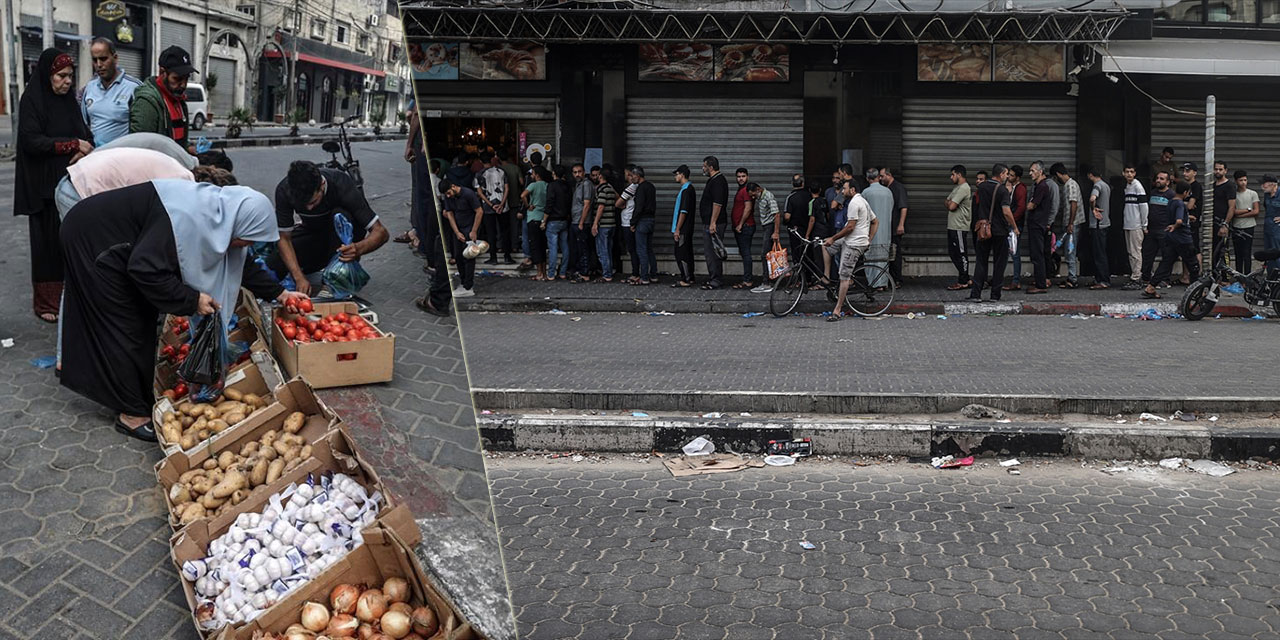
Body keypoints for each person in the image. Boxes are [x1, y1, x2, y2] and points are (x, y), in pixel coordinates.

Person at [60, 180, 306, 441]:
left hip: (122, 242)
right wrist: (191, 299)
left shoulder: (218, 216)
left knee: (141, 322)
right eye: (246, 239)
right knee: (125, 325)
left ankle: (129, 395)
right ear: (239, 224)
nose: (245, 245)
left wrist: (280, 294)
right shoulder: (188, 218)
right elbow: (144, 268)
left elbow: (242, 265)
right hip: (94, 238)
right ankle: (131, 415)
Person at [15, 48, 94, 323]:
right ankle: (47, 302)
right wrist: (72, 145)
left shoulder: (69, 102)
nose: (67, 81)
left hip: (70, 184)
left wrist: (82, 149)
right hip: (43, 187)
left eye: (70, 76)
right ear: (48, 75)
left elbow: (86, 136)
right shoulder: (32, 100)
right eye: (61, 76)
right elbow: (31, 141)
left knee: (69, 241)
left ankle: (72, 298)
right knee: (46, 245)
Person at [268, 161, 390, 294]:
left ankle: (333, 283)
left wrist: (358, 248)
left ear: (322, 184)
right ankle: (315, 269)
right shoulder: (284, 190)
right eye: (303, 204)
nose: (309, 208)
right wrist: (298, 277)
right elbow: (284, 239)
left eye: (313, 202)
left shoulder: (341, 183)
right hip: (314, 234)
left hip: (343, 242)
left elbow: (381, 233)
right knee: (274, 263)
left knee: (339, 215)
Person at [823, 180, 878, 322]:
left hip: (854, 244)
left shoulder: (854, 203)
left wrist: (833, 238)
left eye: (845, 188)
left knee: (844, 277)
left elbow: (850, 227)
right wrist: (869, 239)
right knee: (825, 245)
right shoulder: (863, 201)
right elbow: (875, 221)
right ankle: (826, 276)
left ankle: (837, 310)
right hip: (851, 240)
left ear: (852, 190)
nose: (842, 191)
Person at [130, 45, 197, 154]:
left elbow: (176, 138)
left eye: (186, 79)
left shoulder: (178, 100)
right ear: (162, 72)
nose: (183, 85)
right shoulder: (147, 102)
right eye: (177, 79)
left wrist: (187, 148)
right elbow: (140, 148)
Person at [969, 164, 1018, 302]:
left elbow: (976, 206)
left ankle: (976, 294)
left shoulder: (981, 187)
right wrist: (1014, 227)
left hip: (983, 230)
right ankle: (995, 295)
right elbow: (1006, 211)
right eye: (1006, 174)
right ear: (1001, 174)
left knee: (981, 261)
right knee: (999, 263)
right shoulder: (1002, 190)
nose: (1007, 177)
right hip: (999, 231)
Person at [80, 38, 142, 147]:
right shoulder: (89, 87)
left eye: (103, 59)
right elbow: (84, 124)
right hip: (96, 154)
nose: (99, 64)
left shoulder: (134, 87)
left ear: (115, 58)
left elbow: (143, 129)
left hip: (123, 154)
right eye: (94, 60)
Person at [1143, 181, 1199, 299]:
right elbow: (1178, 220)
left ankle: (1151, 287)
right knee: (1194, 265)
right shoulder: (1180, 204)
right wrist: (1176, 225)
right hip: (1183, 239)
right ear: (1185, 192)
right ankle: (1195, 291)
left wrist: (1187, 218)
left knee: (1166, 263)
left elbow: (1177, 217)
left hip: (1171, 238)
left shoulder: (1171, 202)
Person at [439, 179, 483, 298]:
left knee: (469, 257)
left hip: (469, 227)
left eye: (449, 193)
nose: (448, 196)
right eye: (446, 194)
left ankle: (468, 286)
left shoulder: (468, 194)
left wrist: (474, 231)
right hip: (458, 228)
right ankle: (463, 282)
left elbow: (479, 211)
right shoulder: (449, 198)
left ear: (453, 186)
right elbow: (450, 214)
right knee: (458, 256)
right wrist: (457, 232)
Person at [700, 156, 730, 290]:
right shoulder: (714, 180)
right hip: (711, 222)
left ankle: (716, 280)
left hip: (714, 223)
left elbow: (717, 204)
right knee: (711, 252)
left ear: (711, 167)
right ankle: (714, 278)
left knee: (712, 253)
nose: (703, 169)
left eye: (704, 166)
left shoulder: (718, 181)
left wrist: (713, 222)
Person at [1141, 171, 1175, 289]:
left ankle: (1164, 279)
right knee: (1148, 255)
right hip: (1151, 229)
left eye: (1162, 179)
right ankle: (1146, 277)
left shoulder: (1171, 195)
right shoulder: (1153, 193)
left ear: (1168, 182)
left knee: (1166, 256)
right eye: (1157, 178)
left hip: (1164, 229)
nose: (1158, 180)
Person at [474, 155, 510, 266]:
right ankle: (507, 256)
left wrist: (491, 205)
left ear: (481, 161)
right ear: (491, 160)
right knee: (505, 232)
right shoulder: (502, 171)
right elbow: (507, 188)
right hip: (503, 207)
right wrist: (502, 204)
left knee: (491, 233)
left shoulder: (479, 174)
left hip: (488, 207)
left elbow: (479, 192)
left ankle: (493, 257)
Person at [862, 168, 894, 289]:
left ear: (867, 178)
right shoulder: (888, 192)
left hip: (871, 230)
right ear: (878, 177)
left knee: (870, 256)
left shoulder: (866, 193)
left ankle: (874, 283)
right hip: (885, 229)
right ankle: (883, 282)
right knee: (883, 255)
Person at [1025, 161, 1054, 294]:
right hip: (1036, 224)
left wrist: (1030, 204)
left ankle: (1041, 284)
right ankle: (1040, 281)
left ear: (1040, 172)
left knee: (1038, 255)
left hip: (1038, 224)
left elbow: (1031, 205)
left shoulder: (1042, 187)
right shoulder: (1038, 186)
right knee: (1037, 254)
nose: (1030, 173)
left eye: (1033, 171)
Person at [1052, 162, 1082, 288]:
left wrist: (1070, 223)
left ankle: (1072, 279)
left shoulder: (1071, 185)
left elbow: (1073, 204)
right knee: (1065, 249)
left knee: (1070, 251)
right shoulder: (1067, 185)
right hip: (1069, 223)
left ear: (1058, 174)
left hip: (1072, 224)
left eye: (1055, 177)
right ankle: (1070, 277)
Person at [1226, 169, 1261, 275]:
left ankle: (1247, 276)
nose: (1243, 182)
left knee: (1247, 253)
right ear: (1236, 181)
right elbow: (1233, 211)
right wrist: (1248, 210)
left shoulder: (1252, 193)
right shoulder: (1234, 194)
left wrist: (1240, 214)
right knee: (1238, 254)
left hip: (1249, 226)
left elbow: (1256, 211)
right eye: (1241, 180)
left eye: (1245, 180)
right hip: (1236, 227)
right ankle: (1239, 276)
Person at [1084, 165, 1112, 289]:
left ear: (1090, 175)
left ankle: (1103, 280)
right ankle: (1099, 278)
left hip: (1098, 225)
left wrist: (1093, 209)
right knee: (1101, 252)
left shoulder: (1097, 186)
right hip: (1104, 223)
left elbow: (1092, 199)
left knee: (1099, 253)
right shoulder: (1106, 186)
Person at [944, 164, 972, 290]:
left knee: (961, 254)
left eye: (953, 174)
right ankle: (966, 278)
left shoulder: (964, 188)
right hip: (953, 226)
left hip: (959, 226)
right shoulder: (957, 188)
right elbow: (946, 201)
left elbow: (951, 206)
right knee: (953, 253)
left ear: (959, 174)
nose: (951, 177)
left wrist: (950, 203)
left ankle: (963, 281)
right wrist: (950, 202)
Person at [1120, 164, 1148, 290]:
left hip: (1136, 225)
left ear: (1135, 173)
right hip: (1128, 223)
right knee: (1131, 252)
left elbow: (1144, 206)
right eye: (1127, 171)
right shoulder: (1128, 186)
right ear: (1123, 173)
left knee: (1135, 252)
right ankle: (1134, 275)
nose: (1129, 174)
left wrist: (1144, 224)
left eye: (1131, 171)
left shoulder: (1137, 186)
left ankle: (1137, 277)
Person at [879, 168, 909, 282]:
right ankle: (890, 278)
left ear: (889, 175)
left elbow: (903, 207)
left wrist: (901, 224)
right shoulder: (887, 188)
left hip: (895, 226)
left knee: (895, 253)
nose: (880, 179)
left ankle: (897, 279)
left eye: (882, 176)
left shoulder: (898, 188)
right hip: (888, 226)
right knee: (889, 253)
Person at [749, 182, 779, 294]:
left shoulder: (768, 196)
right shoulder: (760, 197)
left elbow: (776, 214)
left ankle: (767, 283)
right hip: (766, 227)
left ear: (758, 189)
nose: (753, 197)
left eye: (753, 195)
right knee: (769, 255)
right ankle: (771, 280)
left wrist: (776, 232)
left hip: (770, 227)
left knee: (765, 254)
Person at [630, 166, 658, 285]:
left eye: (632, 175)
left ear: (638, 175)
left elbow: (639, 207)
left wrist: (633, 222)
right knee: (649, 249)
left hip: (642, 221)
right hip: (651, 220)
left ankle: (644, 277)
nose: (631, 178)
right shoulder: (651, 186)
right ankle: (654, 275)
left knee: (641, 250)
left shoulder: (641, 188)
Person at [544, 164, 573, 280]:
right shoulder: (567, 186)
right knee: (565, 246)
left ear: (554, 174)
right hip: (564, 219)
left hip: (553, 220)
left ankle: (551, 274)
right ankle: (563, 272)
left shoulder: (552, 186)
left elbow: (549, 203)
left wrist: (544, 220)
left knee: (553, 248)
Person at [521, 166, 550, 281]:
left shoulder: (533, 185)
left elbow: (523, 195)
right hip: (543, 218)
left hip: (533, 217)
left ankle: (539, 273)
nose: (532, 175)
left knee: (535, 246)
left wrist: (528, 206)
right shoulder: (547, 185)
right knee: (542, 246)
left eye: (533, 173)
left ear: (537, 175)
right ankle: (544, 272)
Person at [671, 164, 697, 287]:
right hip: (686, 228)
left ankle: (685, 278)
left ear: (682, 175)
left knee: (681, 253)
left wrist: (677, 229)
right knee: (687, 252)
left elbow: (683, 211)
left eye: (676, 174)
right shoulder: (687, 189)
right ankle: (690, 277)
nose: (675, 177)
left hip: (683, 229)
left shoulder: (686, 190)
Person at [591, 167, 619, 282]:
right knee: (608, 250)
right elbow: (618, 198)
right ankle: (609, 272)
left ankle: (607, 274)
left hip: (603, 225)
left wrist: (595, 223)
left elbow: (601, 207)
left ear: (600, 176)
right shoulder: (610, 188)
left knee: (602, 250)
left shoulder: (602, 189)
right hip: (612, 224)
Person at [731, 167, 756, 289]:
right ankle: (747, 278)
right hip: (742, 227)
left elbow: (748, 208)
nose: (741, 179)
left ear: (747, 177)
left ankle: (748, 280)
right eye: (739, 176)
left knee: (746, 253)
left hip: (745, 226)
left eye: (743, 176)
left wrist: (740, 224)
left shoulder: (746, 190)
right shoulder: (741, 190)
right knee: (744, 253)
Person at [1003, 165, 1027, 291]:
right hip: (1013, 224)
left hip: (1015, 225)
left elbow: (1021, 208)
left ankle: (1016, 281)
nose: (1009, 177)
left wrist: (1012, 222)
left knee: (1015, 253)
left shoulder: (1020, 189)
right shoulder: (1013, 188)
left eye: (1011, 175)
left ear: (1017, 177)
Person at [1180, 162, 1205, 284]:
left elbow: (1190, 205)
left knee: (1194, 249)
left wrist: (1182, 204)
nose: (1185, 173)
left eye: (1187, 171)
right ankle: (1185, 276)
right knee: (1185, 250)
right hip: (1184, 221)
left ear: (1194, 173)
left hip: (1193, 222)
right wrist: (1184, 204)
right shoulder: (1183, 186)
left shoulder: (1196, 187)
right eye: (1184, 171)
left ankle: (1197, 276)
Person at [616, 166, 641, 284]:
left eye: (626, 173)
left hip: (628, 221)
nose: (625, 176)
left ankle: (635, 273)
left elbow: (618, 203)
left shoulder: (632, 187)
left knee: (632, 249)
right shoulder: (638, 187)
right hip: (632, 220)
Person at [570, 163, 595, 281]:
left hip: (582, 222)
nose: (577, 174)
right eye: (575, 172)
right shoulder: (578, 185)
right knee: (578, 248)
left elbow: (587, 204)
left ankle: (585, 273)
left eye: (579, 172)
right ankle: (580, 271)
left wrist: (581, 222)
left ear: (584, 172)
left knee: (583, 248)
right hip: (575, 220)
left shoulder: (586, 184)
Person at [777, 174, 811, 262]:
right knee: (808, 253)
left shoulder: (791, 197)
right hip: (809, 229)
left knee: (797, 252)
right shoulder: (809, 196)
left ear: (792, 183)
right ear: (803, 183)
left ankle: (798, 269)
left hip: (795, 230)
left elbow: (787, 216)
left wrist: (785, 222)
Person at [1212, 161, 1233, 275]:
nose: (1218, 171)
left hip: (1222, 224)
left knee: (1223, 251)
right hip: (1212, 224)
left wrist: (1225, 224)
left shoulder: (1229, 186)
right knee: (1214, 251)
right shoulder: (1213, 185)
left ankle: (1226, 278)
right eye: (1216, 169)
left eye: (1220, 169)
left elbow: (1232, 207)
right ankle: (1215, 276)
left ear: (1225, 171)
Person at [1262, 174, 1280, 271]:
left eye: (1264, 184)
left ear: (1272, 184)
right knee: (1268, 254)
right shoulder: (1267, 195)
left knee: (1277, 252)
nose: (1262, 186)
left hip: (1277, 230)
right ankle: (1271, 276)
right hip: (1268, 228)